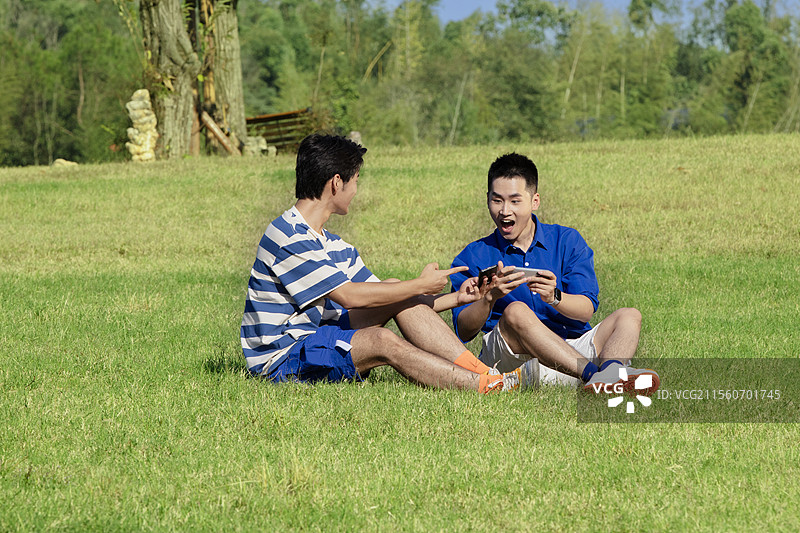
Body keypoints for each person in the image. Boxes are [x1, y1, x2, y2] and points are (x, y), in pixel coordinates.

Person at [240, 134, 539, 394]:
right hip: (284, 357)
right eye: (356, 181)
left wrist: (459, 298)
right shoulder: (288, 234)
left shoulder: (332, 244)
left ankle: (484, 373)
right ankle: (485, 386)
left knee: (394, 288)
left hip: (318, 338)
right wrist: (420, 284)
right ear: (336, 183)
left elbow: (386, 296)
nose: (356, 190)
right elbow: (349, 296)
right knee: (382, 340)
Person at [450, 153, 658, 394]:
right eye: (497, 201)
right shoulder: (473, 255)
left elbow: (586, 310)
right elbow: (464, 331)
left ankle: (612, 372)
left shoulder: (567, 240)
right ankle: (594, 376)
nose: (505, 211)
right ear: (487, 199)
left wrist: (554, 297)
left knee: (629, 316)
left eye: (515, 201)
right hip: (510, 356)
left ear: (535, 201)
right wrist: (490, 297)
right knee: (516, 311)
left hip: (569, 349)